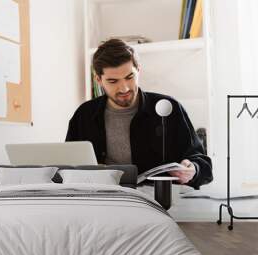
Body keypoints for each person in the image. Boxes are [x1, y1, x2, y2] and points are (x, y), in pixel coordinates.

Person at [66, 39, 212, 189]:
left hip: (161, 202)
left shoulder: (169, 108)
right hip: (103, 199)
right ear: (99, 80)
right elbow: (66, 168)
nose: (124, 88)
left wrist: (193, 169)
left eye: (129, 77)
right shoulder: (83, 115)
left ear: (139, 70)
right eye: (113, 81)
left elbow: (204, 166)